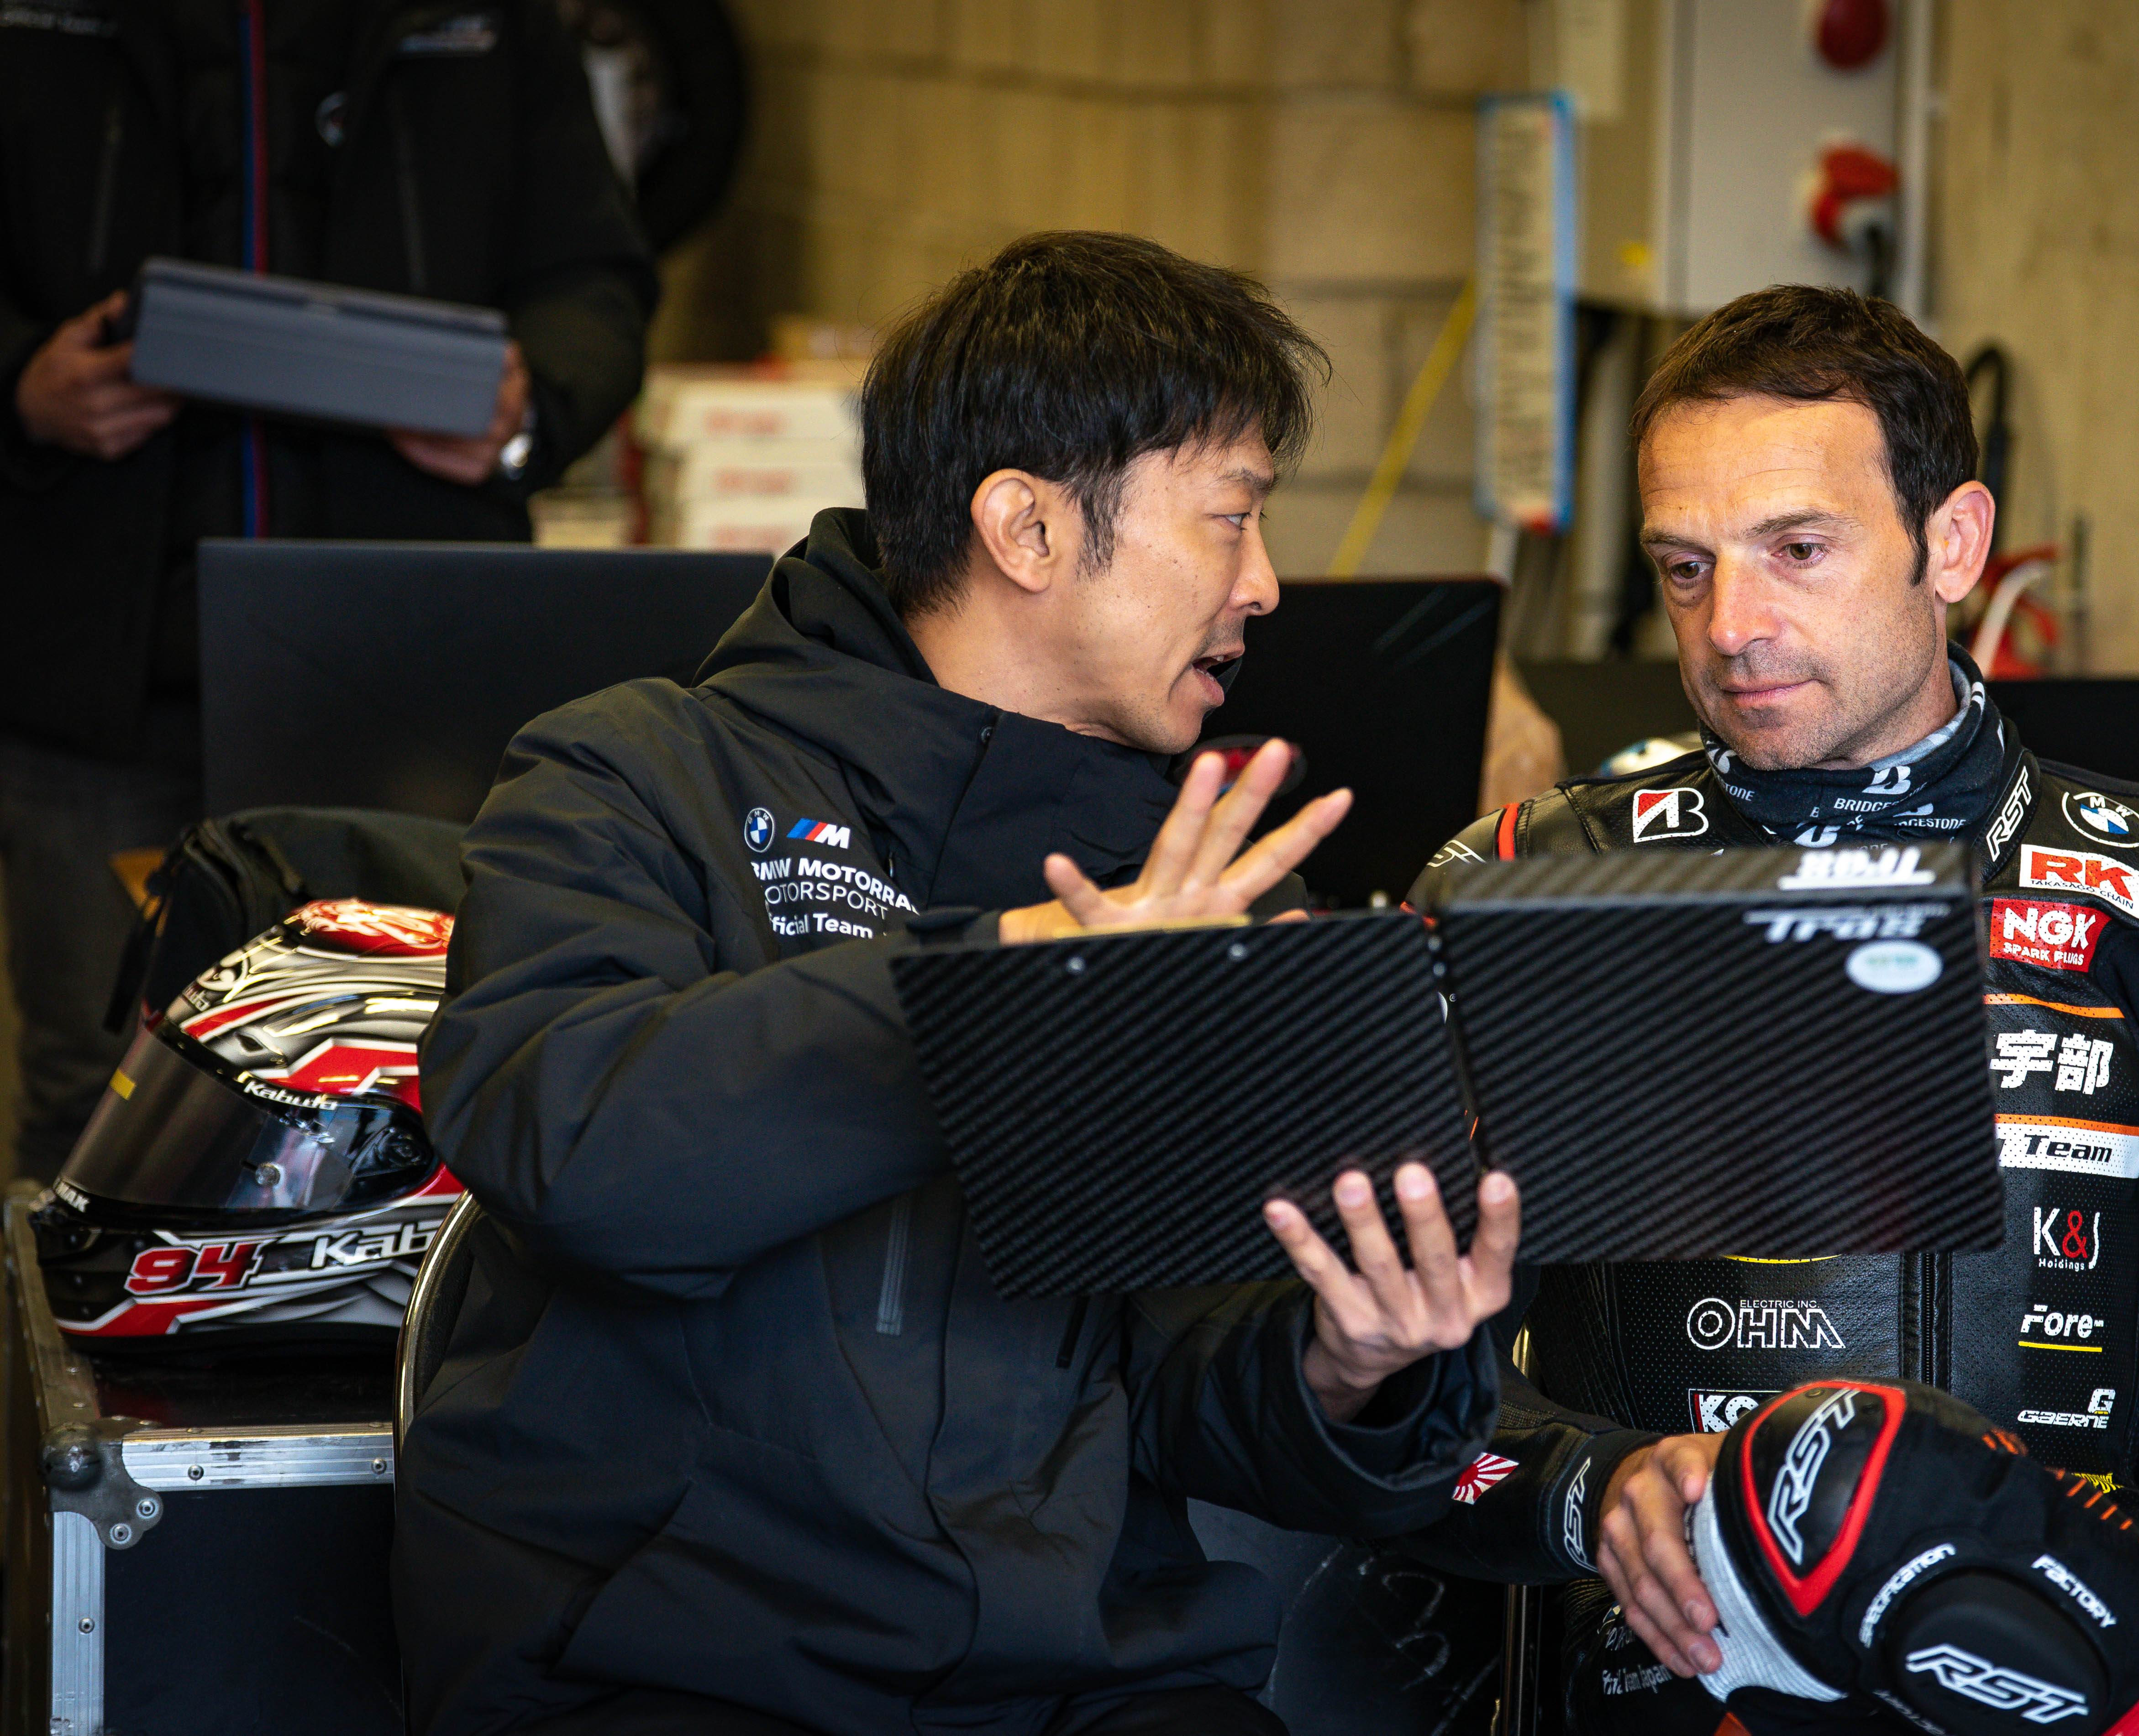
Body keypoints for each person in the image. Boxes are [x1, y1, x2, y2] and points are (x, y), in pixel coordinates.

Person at [395, 231, 1523, 1736]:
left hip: (1078, 1683)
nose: (1263, 584)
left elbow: (1190, 1379)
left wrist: (1348, 1363)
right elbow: (578, 1143)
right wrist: (1022, 987)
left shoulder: (1205, 883)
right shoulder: (636, 774)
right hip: (666, 1664)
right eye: (1231, 516)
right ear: (1027, 528)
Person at [1402, 286, 2139, 1732]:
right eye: (1685, 567)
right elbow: (1360, 1380)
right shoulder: (1517, 885)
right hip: (1666, 1688)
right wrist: (1586, 1485)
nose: (1730, 626)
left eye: (1798, 550)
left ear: (1955, 543)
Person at [0, 0, 655, 1178]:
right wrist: (22, 385)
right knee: (97, 1104)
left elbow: (594, 276)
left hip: (407, 681)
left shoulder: (495, 21)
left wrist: (527, 408)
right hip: (99, 677)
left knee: (424, 1089)